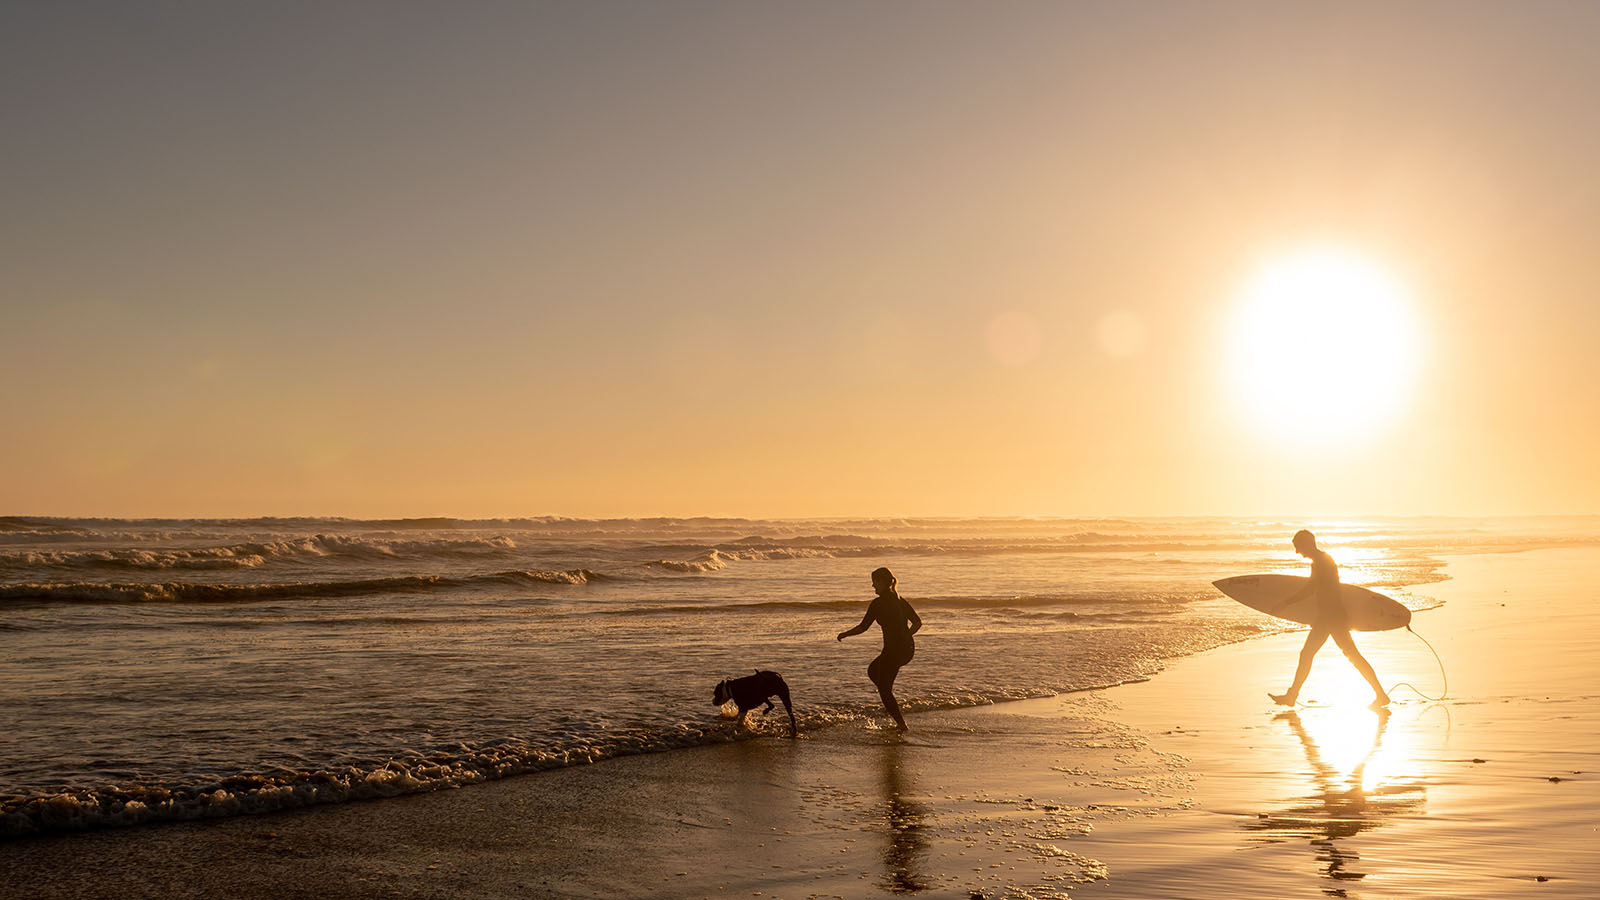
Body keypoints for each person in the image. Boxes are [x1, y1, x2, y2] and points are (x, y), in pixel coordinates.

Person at [1271, 530, 1390, 708]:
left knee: (1351, 656)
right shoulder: (1322, 561)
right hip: (1327, 617)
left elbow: (1310, 590)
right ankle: (1292, 695)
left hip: (1332, 618)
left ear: (1307, 544)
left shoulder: (1322, 563)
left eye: (1298, 547)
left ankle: (1381, 695)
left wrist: (1285, 603)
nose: (1297, 552)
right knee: (1310, 654)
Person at [837, 567, 922, 731]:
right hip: (906, 648)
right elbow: (918, 622)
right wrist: (906, 635)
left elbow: (863, 627)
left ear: (882, 582)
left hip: (894, 650)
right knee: (873, 671)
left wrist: (844, 634)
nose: (872, 586)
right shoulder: (899, 599)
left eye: (875, 582)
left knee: (883, 686)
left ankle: (900, 723)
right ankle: (889, 702)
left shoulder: (878, 603)